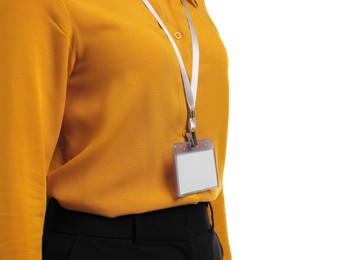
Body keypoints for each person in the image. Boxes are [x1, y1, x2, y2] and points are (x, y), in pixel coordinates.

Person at [0, 0, 231, 259]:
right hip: (101, 244)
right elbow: (15, 167)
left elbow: (206, 139)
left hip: (201, 237)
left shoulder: (190, 4)